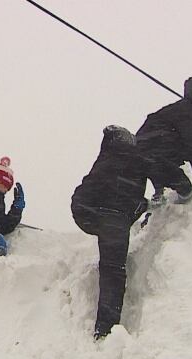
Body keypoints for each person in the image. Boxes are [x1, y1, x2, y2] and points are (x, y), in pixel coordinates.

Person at [71, 125, 149, 339]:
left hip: (87, 210)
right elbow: (161, 171)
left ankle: (105, 327)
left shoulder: (107, 158)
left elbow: (90, 188)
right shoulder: (132, 159)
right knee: (113, 270)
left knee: (110, 266)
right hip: (113, 215)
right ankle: (105, 329)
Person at [135, 77, 192, 204]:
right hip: (156, 151)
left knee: (164, 171)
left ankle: (161, 193)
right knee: (178, 174)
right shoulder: (186, 113)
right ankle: (168, 194)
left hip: (144, 151)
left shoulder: (178, 110)